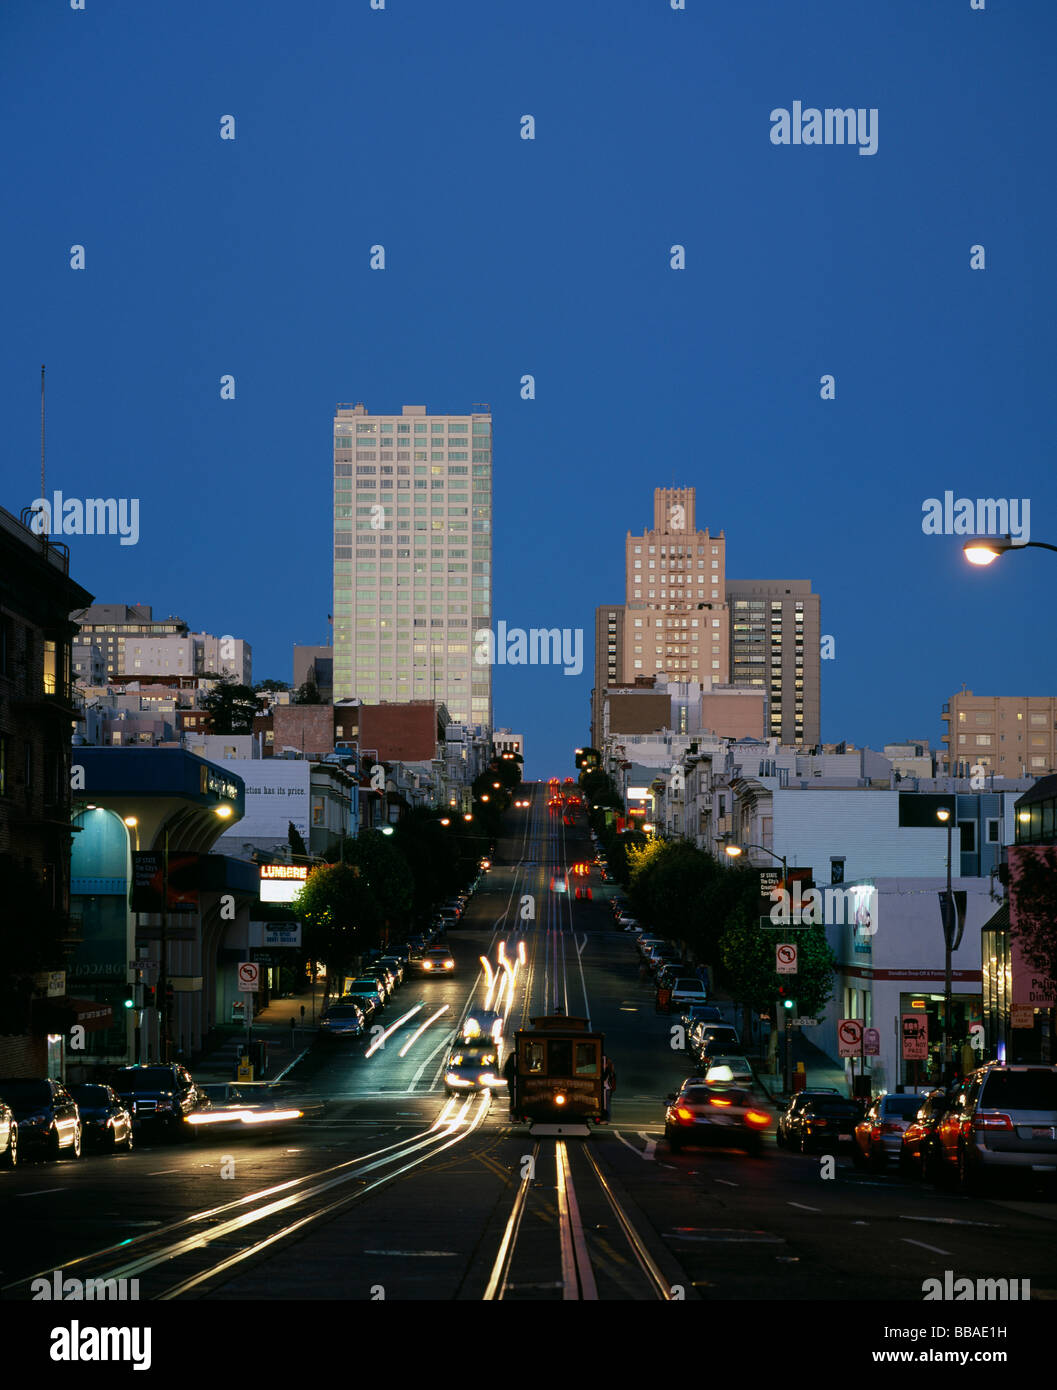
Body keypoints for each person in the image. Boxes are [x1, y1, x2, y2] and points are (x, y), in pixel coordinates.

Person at [503, 1047, 518, 1117]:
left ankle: (513, 1115)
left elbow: (506, 1071)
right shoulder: (516, 1057)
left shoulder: (512, 1057)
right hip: (514, 1081)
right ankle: (515, 1114)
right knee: (515, 1098)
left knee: (513, 1098)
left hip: (511, 1081)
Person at [602, 1054, 616, 1121]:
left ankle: (607, 1118)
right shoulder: (611, 1070)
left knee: (607, 1105)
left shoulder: (607, 1070)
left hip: (606, 1089)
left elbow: (604, 1079)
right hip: (608, 1089)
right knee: (607, 1104)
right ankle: (607, 1118)